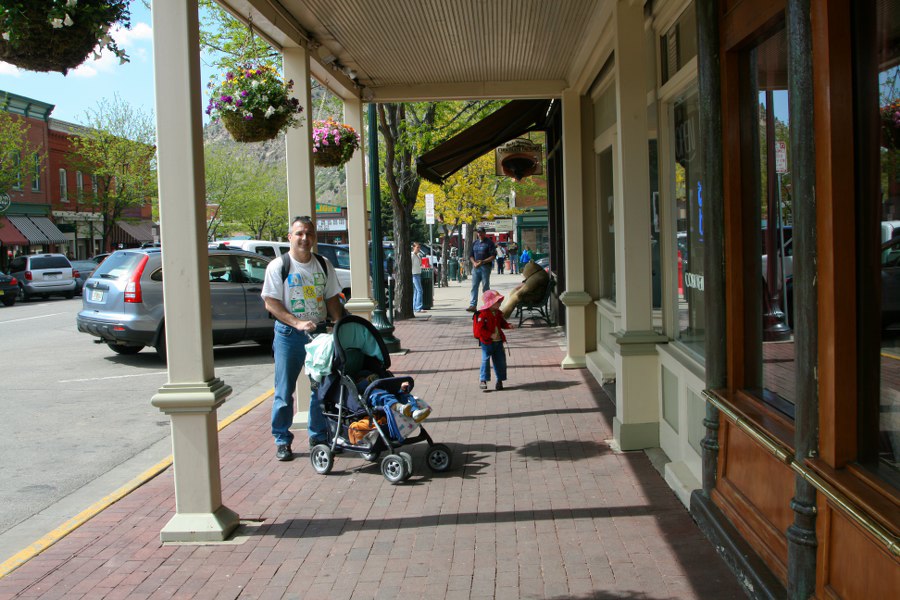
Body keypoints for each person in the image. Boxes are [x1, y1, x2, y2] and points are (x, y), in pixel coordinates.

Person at [262, 215, 344, 462]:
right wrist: (296, 322)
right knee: (284, 391)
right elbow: (270, 302)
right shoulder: (278, 266)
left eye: (309, 234)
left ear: (314, 238)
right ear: (290, 237)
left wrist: (340, 325)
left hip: (318, 334)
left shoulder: (323, 264)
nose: (304, 238)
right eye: (299, 233)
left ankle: (318, 437)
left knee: (320, 389)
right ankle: (282, 440)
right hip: (289, 335)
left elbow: (331, 299)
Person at [473, 289, 513, 391]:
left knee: (500, 361)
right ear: (490, 303)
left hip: (498, 342)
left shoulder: (498, 313)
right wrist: (490, 335)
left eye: (499, 301)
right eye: (497, 302)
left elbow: (502, 323)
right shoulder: (482, 314)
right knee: (485, 360)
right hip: (487, 342)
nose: (500, 303)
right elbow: (480, 330)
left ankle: (499, 380)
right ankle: (483, 380)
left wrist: (508, 326)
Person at [466, 226, 496, 312]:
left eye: (481, 232)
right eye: (478, 233)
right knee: (474, 286)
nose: (480, 234)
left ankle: (487, 304)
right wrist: (474, 263)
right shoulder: (475, 243)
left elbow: (493, 256)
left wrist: (482, 262)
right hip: (476, 267)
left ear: (484, 233)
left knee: (485, 286)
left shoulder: (489, 243)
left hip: (485, 267)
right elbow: (471, 255)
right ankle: (473, 305)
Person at [411, 241, 425, 313]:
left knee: (416, 291)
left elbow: (420, 264)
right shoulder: (412, 255)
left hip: (418, 274)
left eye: (419, 247)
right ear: (413, 247)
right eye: (417, 247)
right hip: (414, 274)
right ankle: (418, 307)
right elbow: (410, 265)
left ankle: (414, 307)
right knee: (420, 290)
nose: (418, 249)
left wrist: (420, 257)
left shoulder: (418, 255)